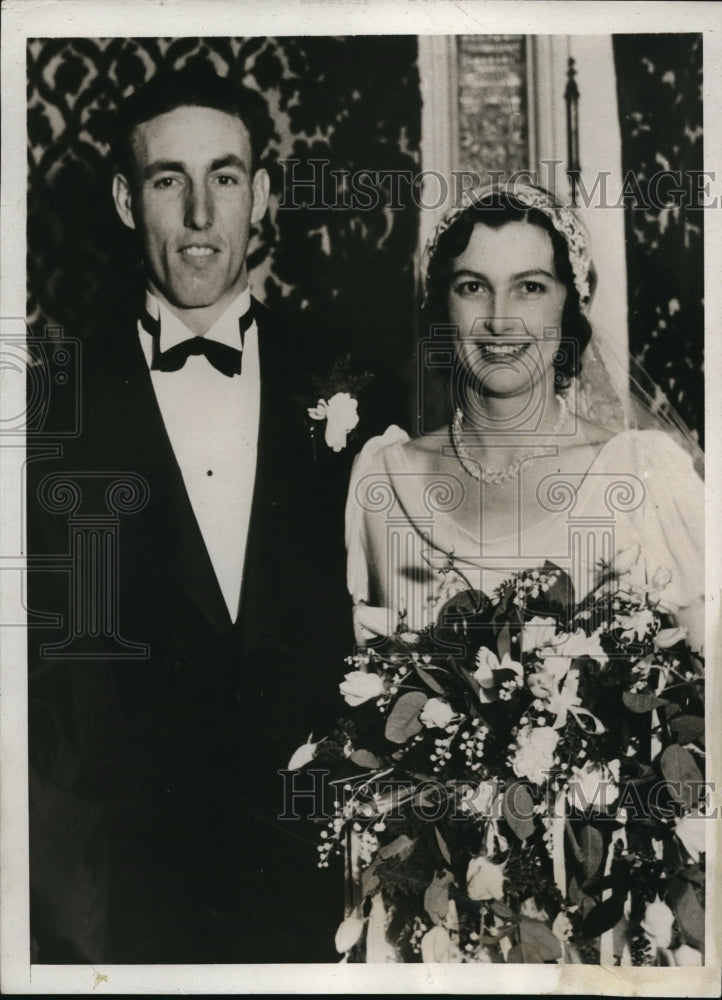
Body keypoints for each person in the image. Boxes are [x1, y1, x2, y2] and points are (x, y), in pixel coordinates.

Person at [27, 67, 404, 964]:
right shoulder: (51, 407)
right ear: (127, 202)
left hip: (326, 880)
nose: (200, 215)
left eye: (224, 177)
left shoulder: (352, 375)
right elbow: (42, 678)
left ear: (260, 194)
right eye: (169, 180)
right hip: (130, 895)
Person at [346, 183, 704, 657]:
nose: (500, 320)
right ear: (443, 306)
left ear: (570, 304)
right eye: (473, 287)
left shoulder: (642, 472)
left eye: (530, 288)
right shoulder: (383, 480)